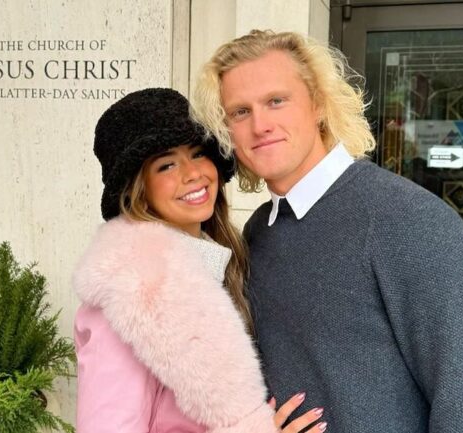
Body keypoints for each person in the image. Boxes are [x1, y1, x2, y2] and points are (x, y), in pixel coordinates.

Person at [191, 30, 463, 433]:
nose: (260, 125)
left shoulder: (411, 222)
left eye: (276, 100)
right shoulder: (260, 231)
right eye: (240, 112)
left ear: (318, 105)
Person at [72, 88, 326, 433]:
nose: (193, 174)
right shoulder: (126, 299)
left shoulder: (226, 265)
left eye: (198, 154)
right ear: (138, 188)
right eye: (166, 165)